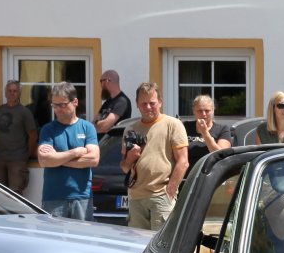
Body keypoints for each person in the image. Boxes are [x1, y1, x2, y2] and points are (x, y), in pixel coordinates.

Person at [120, 82, 188, 232]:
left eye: (152, 103)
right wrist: (130, 157)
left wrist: (169, 193)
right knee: (136, 243)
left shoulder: (173, 125)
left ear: (160, 102)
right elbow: (124, 168)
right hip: (136, 198)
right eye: (143, 103)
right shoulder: (130, 129)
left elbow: (183, 162)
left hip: (161, 196)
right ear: (137, 104)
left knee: (160, 244)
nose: (148, 107)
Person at [35, 83, 99, 220]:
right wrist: (75, 152)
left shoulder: (87, 128)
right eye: (54, 105)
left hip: (82, 196)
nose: (57, 109)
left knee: (82, 234)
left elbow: (93, 159)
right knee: (52, 235)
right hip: (53, 197)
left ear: (75, 102)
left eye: (62, 105)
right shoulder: (48, 130)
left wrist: (57, 159)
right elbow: (44, 161)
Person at [0, 79, 37, 194]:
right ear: (5, 93)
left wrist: (27, 155)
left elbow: (33, 136)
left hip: (17, 160)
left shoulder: (25, 112)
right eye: (9, 91)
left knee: (15, 194)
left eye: (15, 91)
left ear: (19, 93)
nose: (12, 93)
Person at [187, 94, 235, 169]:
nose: (203, 114)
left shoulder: (222, 129)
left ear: (213, 111)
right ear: (194, 111)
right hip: (189, 171)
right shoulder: (185, 127)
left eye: (207, 111)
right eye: (200, 111)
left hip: (211, 171)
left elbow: (221, 156)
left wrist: (205, 133)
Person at [95, 70, 132, 136]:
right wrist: (98, 125)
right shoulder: (107, 102)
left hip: (113, 142)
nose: (101, 85)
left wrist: (98, 124)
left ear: (107, 81)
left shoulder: (122, 101)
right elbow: (93, 124)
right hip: (103, 141)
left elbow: (104, 126)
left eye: (101, 81)